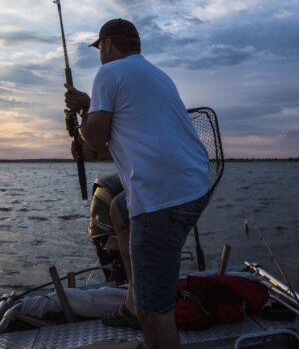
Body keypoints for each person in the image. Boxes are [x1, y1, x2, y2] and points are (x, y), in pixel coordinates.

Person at [65, 18, 210, 349]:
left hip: (162, 196)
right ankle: (133, 301)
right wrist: (90, 105)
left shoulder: (109, 73)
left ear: (108, 44)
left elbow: (96, 140)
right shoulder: (156, 75)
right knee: (118, 209)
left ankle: (142, 307)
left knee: (155, 313)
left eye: (99, 47)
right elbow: (130, 121)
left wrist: (83, 118)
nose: (99, 55)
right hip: (194, 184)